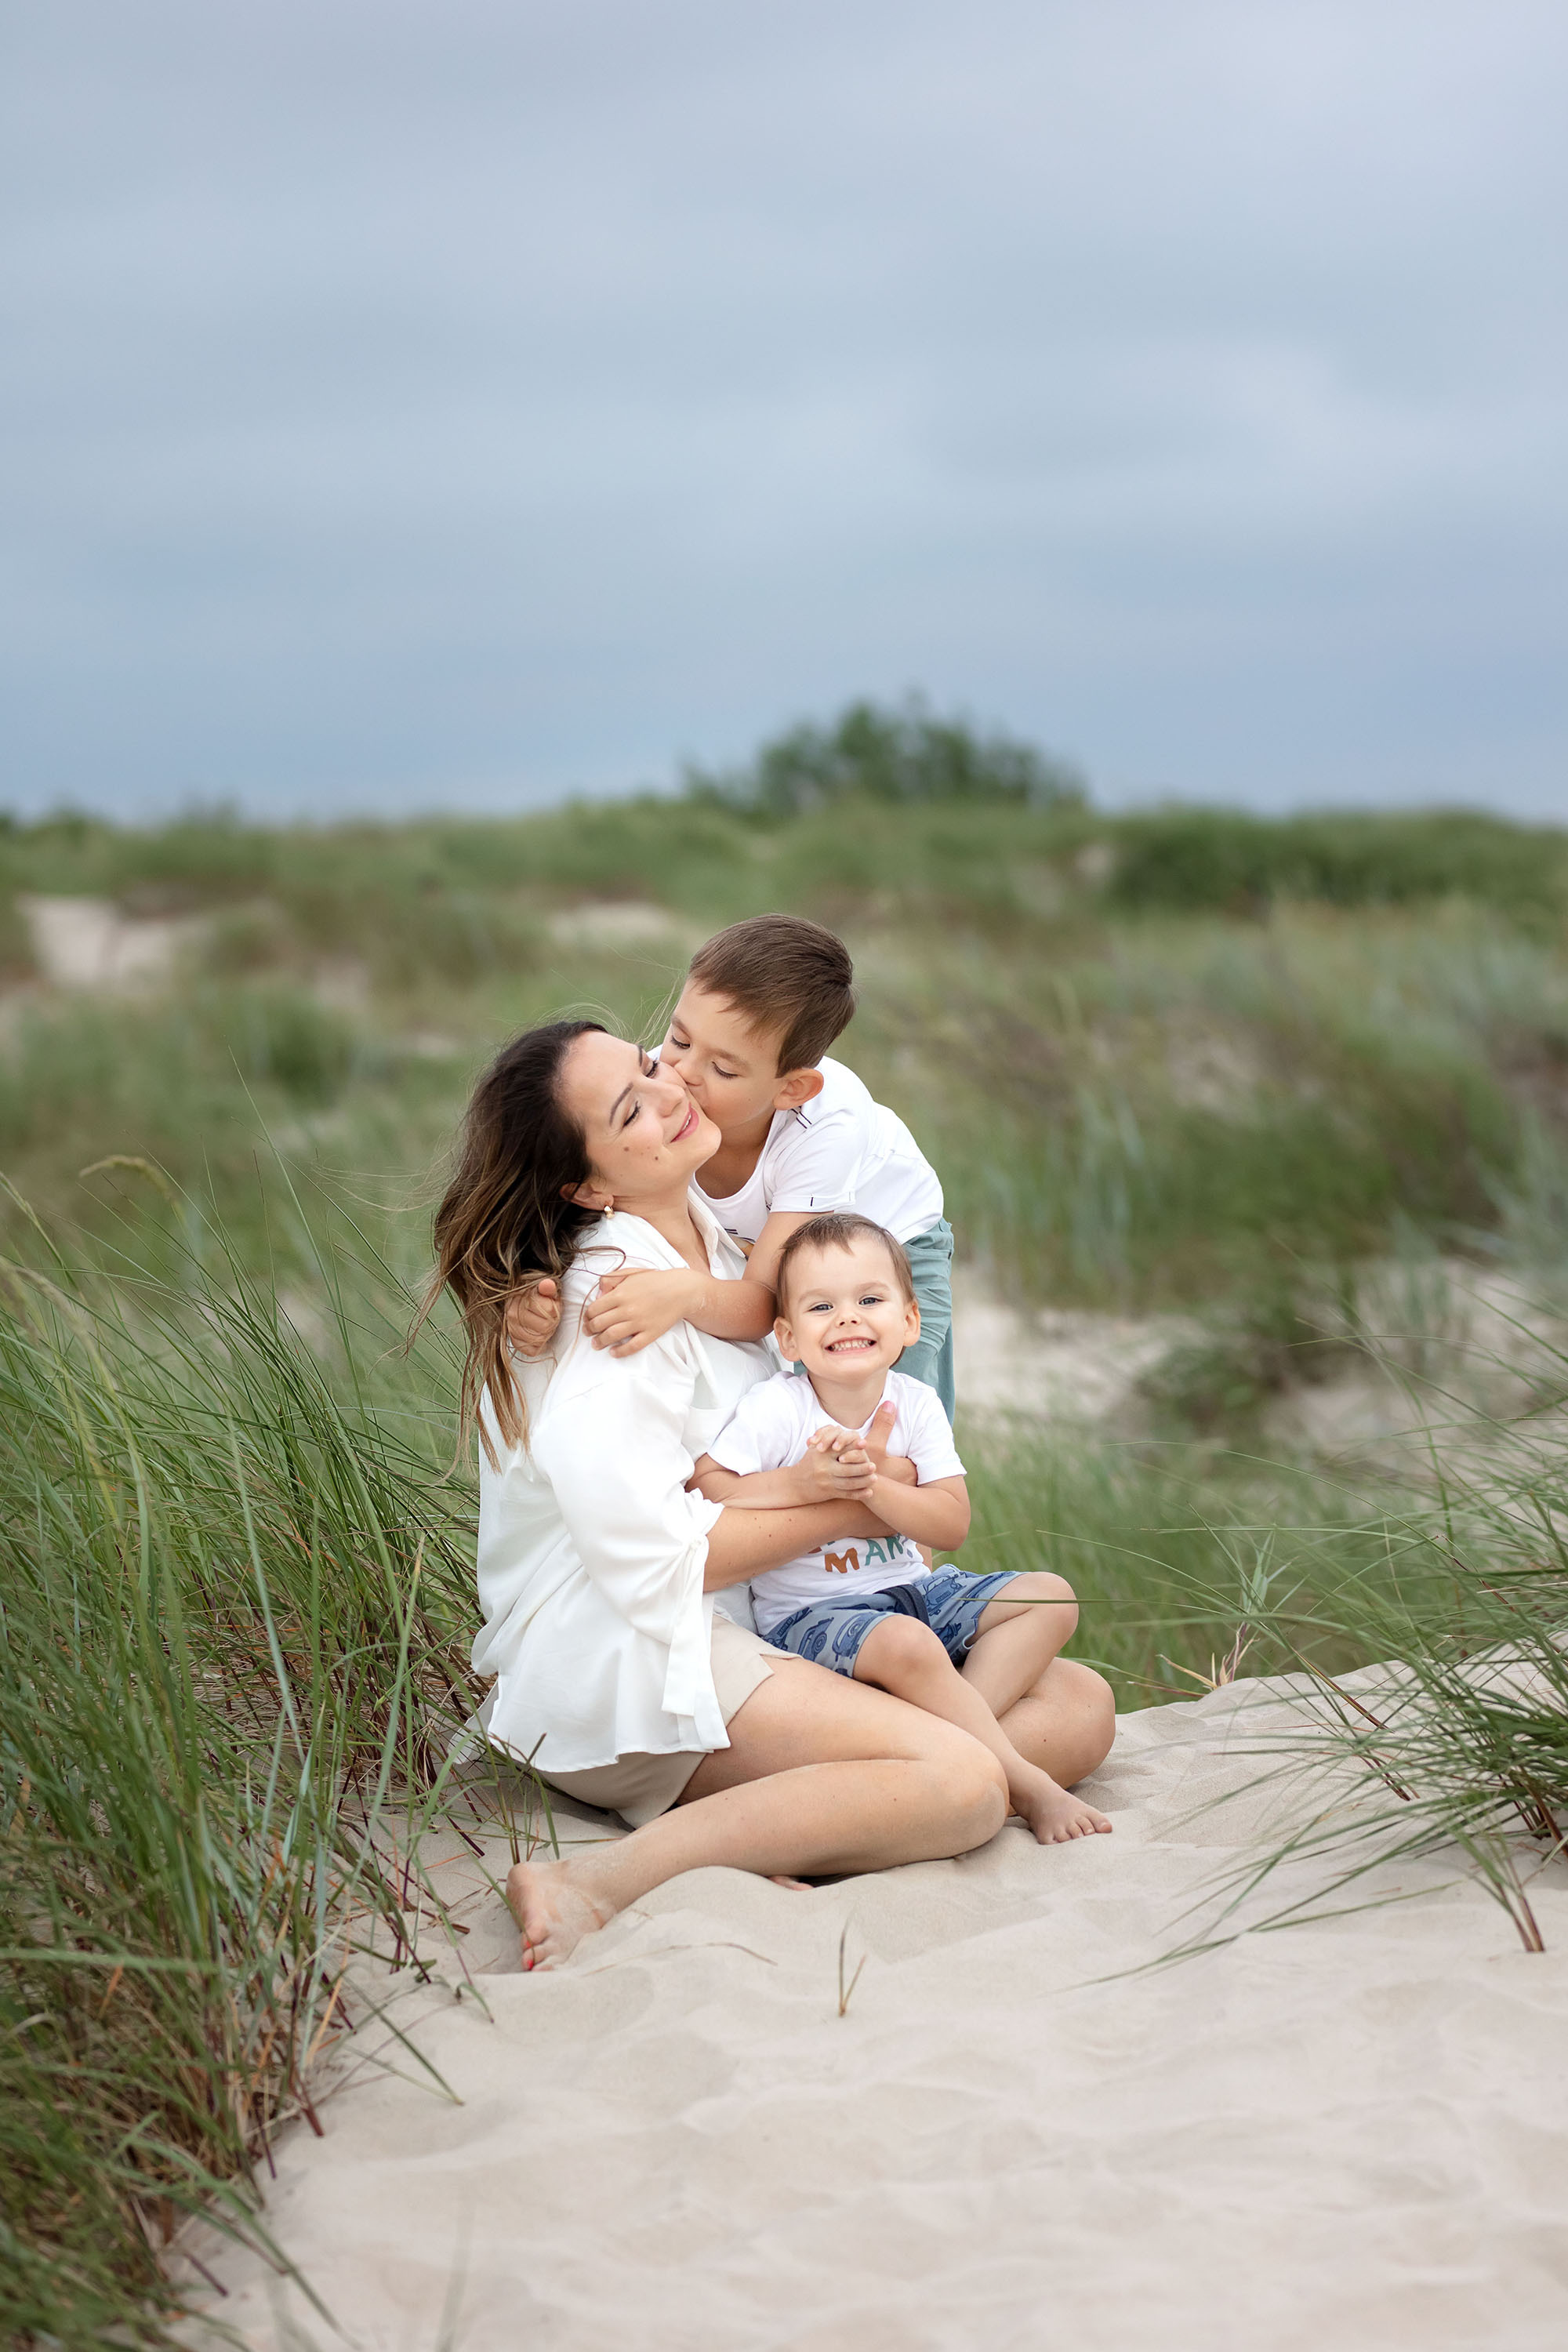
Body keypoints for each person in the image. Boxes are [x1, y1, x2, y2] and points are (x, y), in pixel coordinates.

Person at [426, 1018, 1113, 1970]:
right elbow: (649, 1560)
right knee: (963, 1784)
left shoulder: (723, 1249)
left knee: (1080, 1703)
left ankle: (807, 1819)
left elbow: (823, 1104)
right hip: (632, 1652)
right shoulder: (608, 1305)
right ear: (586, 1186)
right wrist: (858, 1503)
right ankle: (596, 1881)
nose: (671, 1092)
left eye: (647, 1063)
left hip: (760, 1625)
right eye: (631, 1109)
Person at [692, 1211, 1112, 1845]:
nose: (848, 1317)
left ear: (910, 1321)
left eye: (869, 1299)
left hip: (914, 1593)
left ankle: (951, 1731)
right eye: (821, 1306)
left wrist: (875, 1486)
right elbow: (710, 1485)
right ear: (787, 1337)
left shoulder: (914, 1403)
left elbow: (951, 1524)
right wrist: (808, 1484)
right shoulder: (778, 1407)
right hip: (815, 1617)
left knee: (1048, 1594)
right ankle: (1019, 1774)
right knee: (908, 1645)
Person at [506, 914, 957, 1414]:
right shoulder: (659, 1088)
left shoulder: (827, 1128)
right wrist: (532, 1289)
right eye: (678, 1041)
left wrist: (687, 1295)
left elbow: (764, 1301)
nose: (681, 1076)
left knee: (886, 1425)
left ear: (791, 1089)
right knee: (797, 1424)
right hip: (770, 1249)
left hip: (890, 1252)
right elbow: (581, 1184)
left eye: (722, 1069)